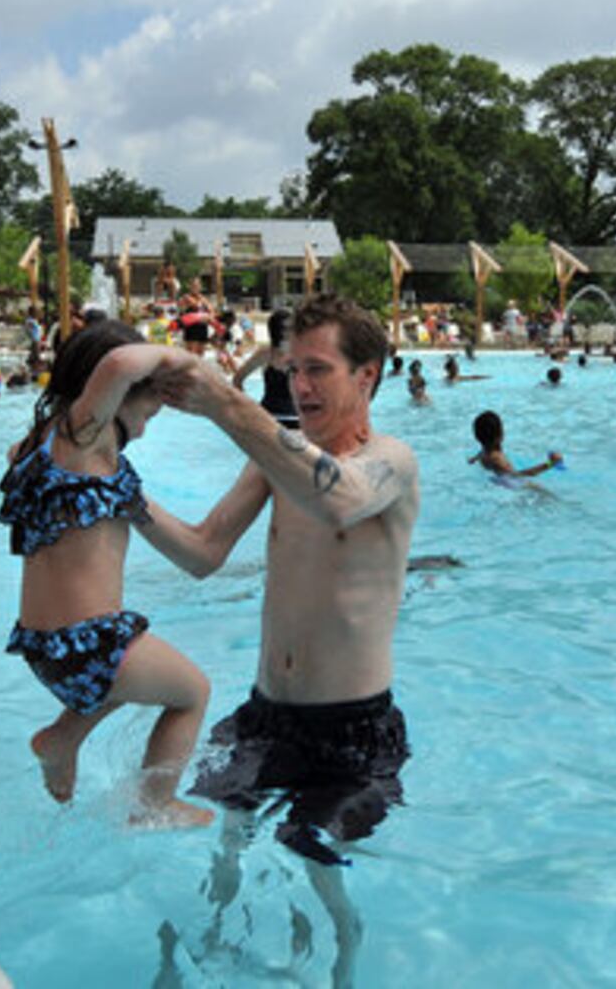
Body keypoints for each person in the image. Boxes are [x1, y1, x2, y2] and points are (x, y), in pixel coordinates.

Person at [150, 294, 418, 981]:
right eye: (293, 369)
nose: (300, 385)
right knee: (225, 835)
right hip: (267, 715)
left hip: (350, 731)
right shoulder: (276, 460)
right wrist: (119, 497)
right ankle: (213, 940)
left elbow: (340, 497)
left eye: (319, 369)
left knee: (306, 848)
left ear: (367, 376)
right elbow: (204, 552)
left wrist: (228, 406)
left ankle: (345, 953)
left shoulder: (391, 462)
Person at [0, 320, 213, 826]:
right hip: (89, 643)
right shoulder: (84, 437)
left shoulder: (44, 444)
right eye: (153, 396)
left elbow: (199, 554)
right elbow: (117, 363)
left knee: (131, 673)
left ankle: (62, 738)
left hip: (48, 648)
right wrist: (186, 359)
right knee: (192, 693)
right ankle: (154, 804)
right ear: (116, 393)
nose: (157, 409)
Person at [232, 308, 299, 429]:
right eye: (287, 328)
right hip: (268, 418)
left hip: (298, 418)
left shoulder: (303, 353)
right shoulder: (266, 353)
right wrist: (244, 407)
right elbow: (238, 379)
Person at [468, 410, 563, 479]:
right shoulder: (497, 459)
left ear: (477, 437)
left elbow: (474, 460)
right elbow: (519, 476)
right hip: (517, 487)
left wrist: (473, 459)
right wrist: (551, 463)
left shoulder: (484, 453)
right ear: (500, 435)